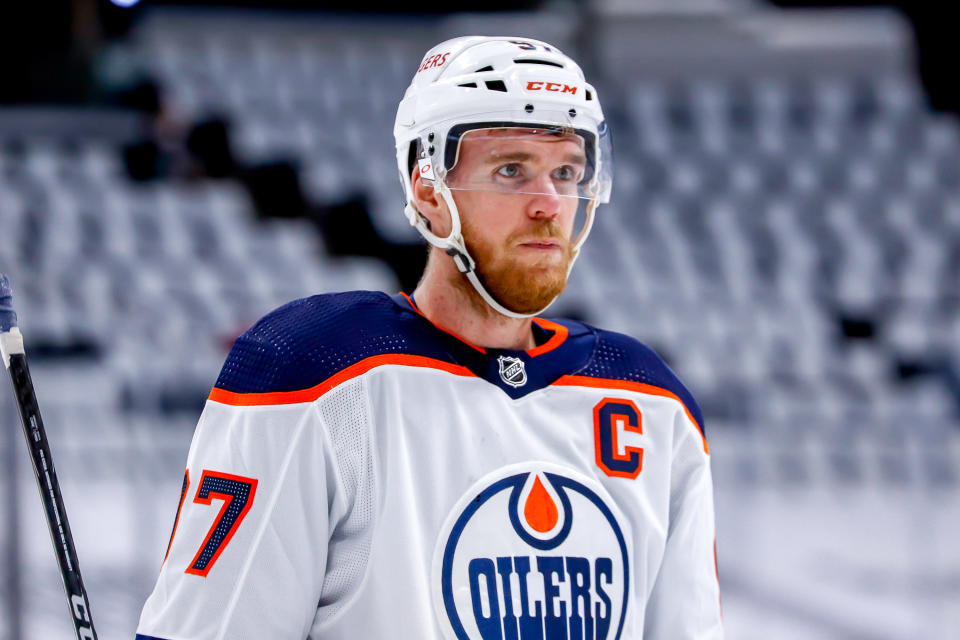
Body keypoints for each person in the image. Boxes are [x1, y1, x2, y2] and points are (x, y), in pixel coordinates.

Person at [136, 36, 723, 639]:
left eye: (567, 171)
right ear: (426, 189)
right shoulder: (315, 372)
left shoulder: (652, 400)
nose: (549, 204)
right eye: (511, 170)